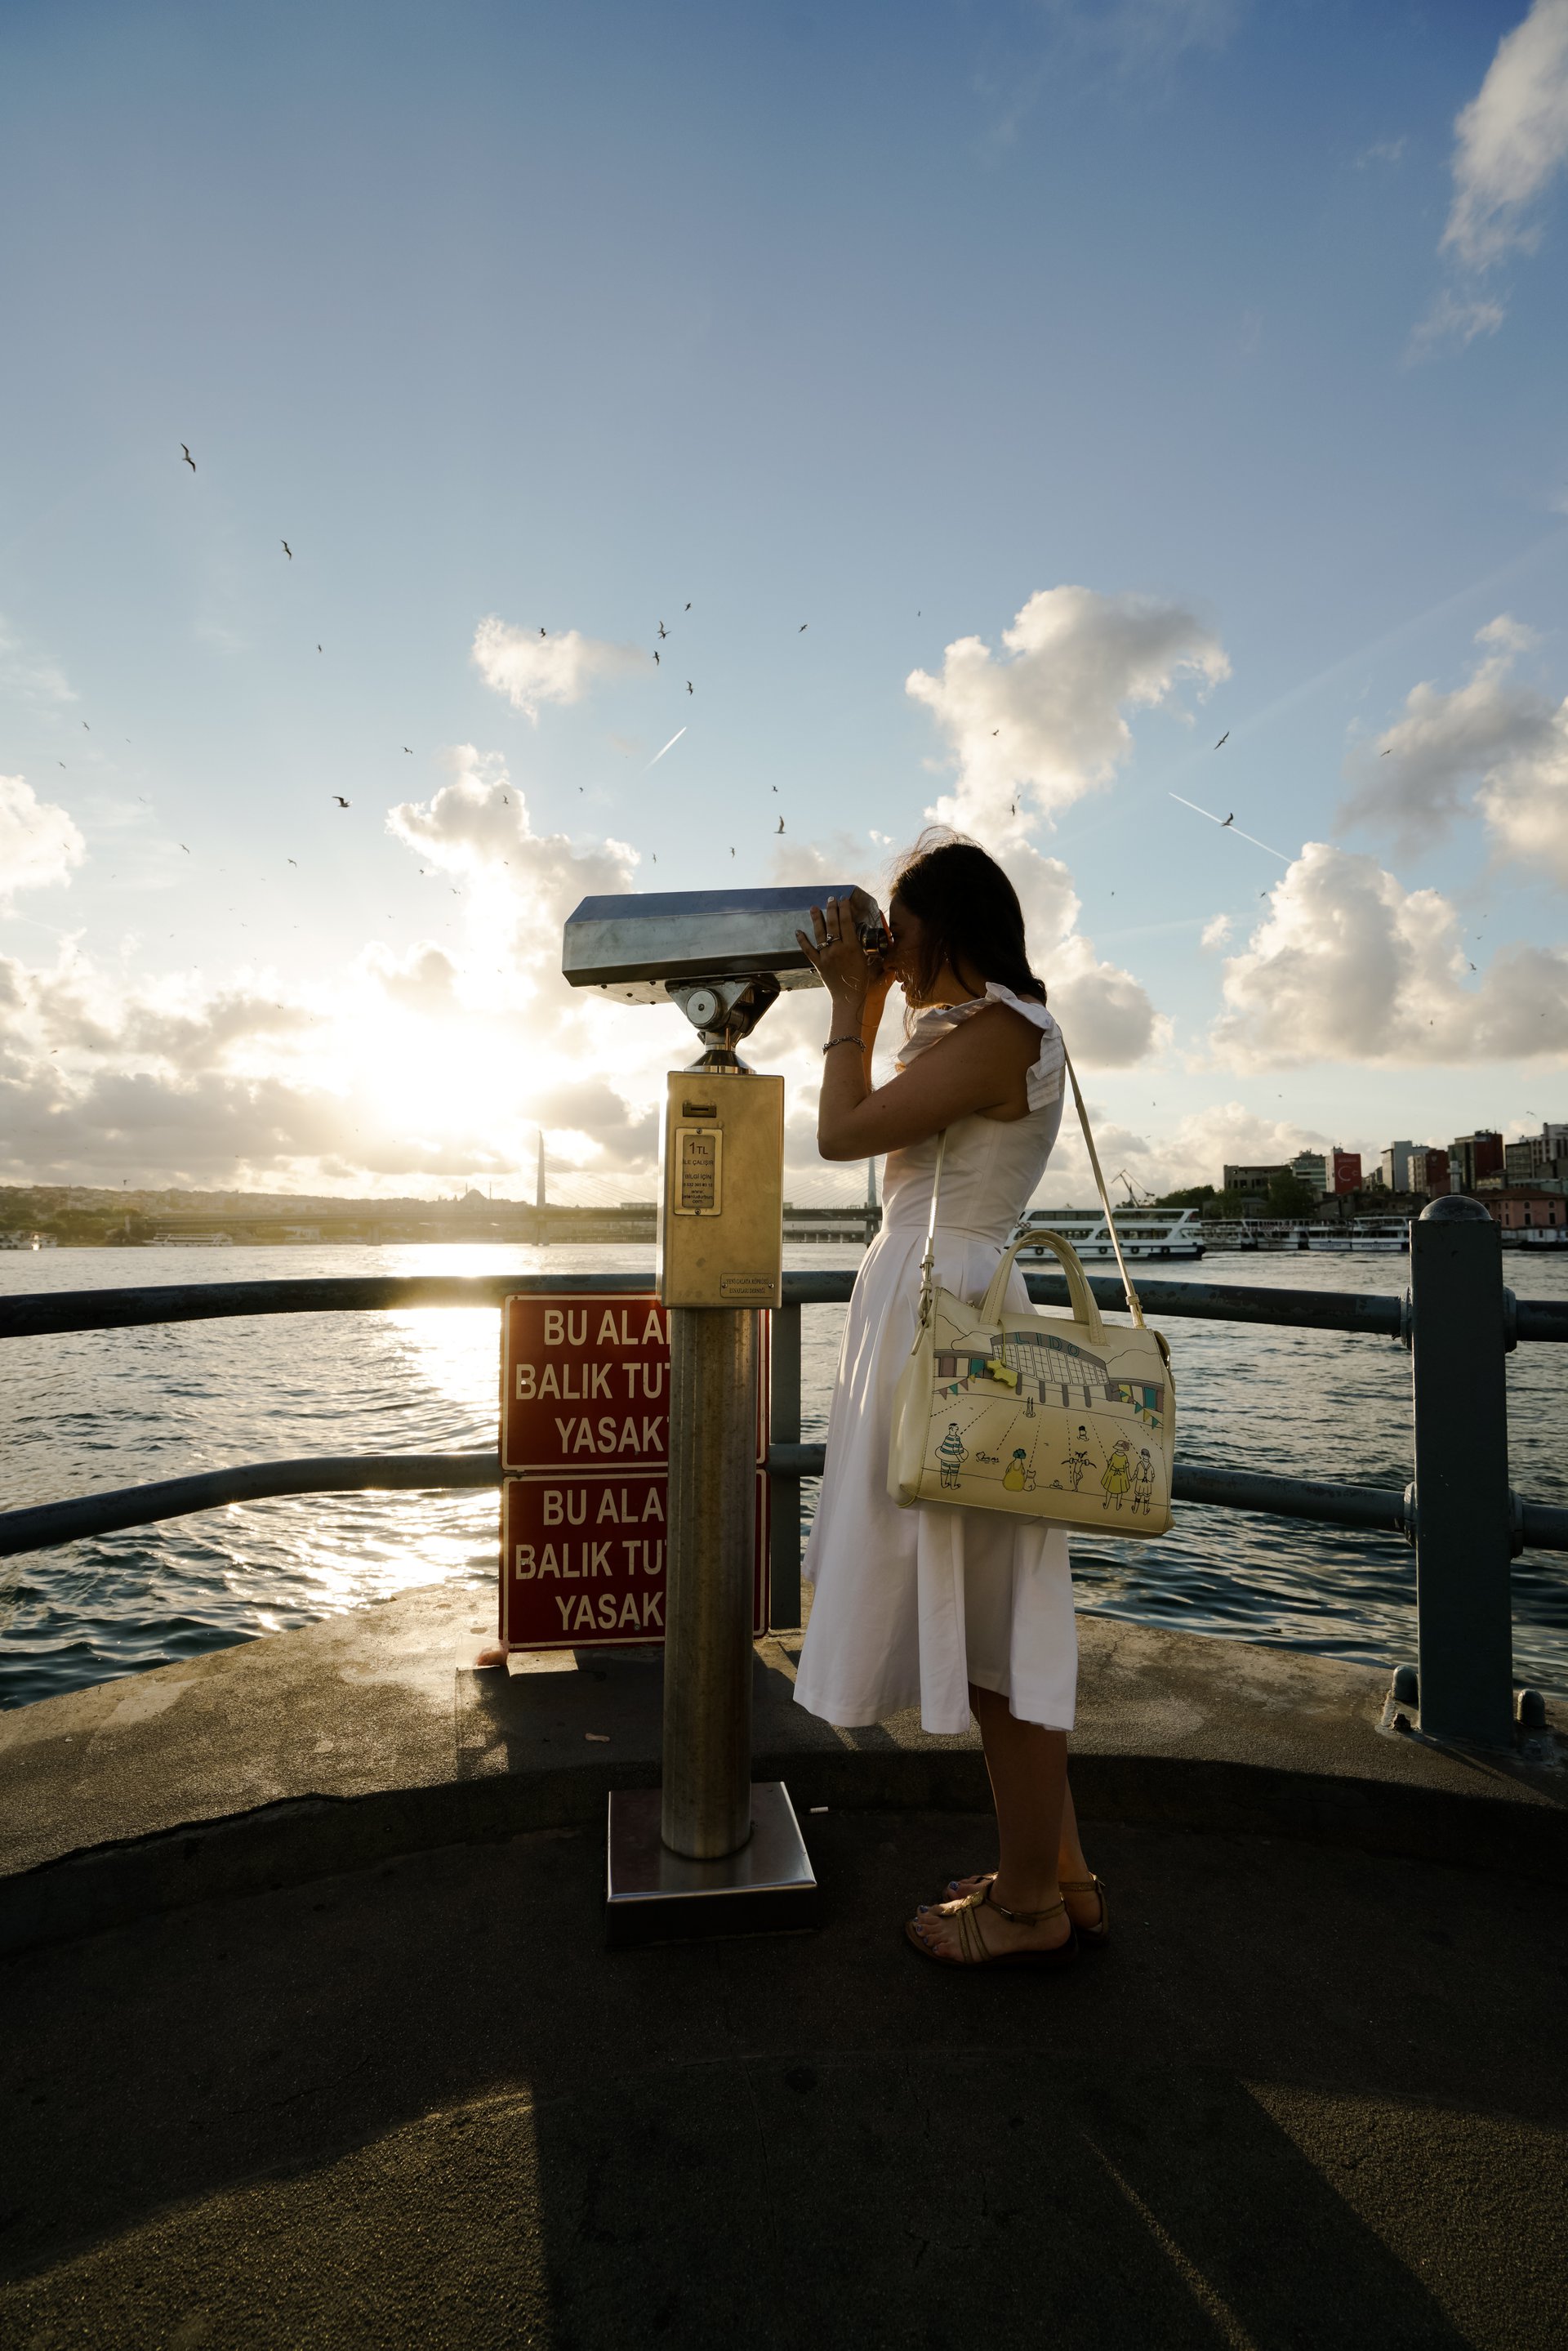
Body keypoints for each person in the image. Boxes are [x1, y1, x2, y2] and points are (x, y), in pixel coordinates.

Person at [791, 829, 1106, 1972]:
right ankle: (1055, 1874)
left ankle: (1028, 1905)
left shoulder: (1002, 1035)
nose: (886, 946)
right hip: (936, 1318)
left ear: (948, 925)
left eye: (897, 927)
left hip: (953, 1328)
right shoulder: (981, 1034)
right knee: (991, 1618)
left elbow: (839, 1132)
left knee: (1000, 1634)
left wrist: (846, 1006)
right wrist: (881, 996)